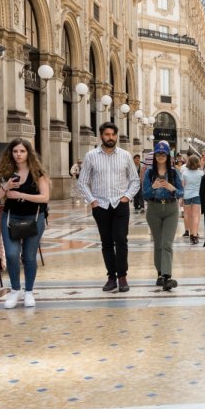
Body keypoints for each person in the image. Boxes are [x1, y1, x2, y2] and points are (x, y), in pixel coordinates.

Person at [78, 122, 141, 292]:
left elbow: (135, 180)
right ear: (101, 136)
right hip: (101, 205)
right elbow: (82, 182)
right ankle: (111, 277)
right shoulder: (91, 156)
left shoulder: (125, 155)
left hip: (120, 204)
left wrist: (127, 197)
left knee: (121, 240)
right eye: (107, 134)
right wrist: (92, 201)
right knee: (106, 242)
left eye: (113, 135)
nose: (110, 138)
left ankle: (122, 276)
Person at [0, 139, 50, 309]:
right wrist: (5, 187)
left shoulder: (38, 173)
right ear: (11, 153)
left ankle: (29, 292)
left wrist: (21, 195)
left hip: (34, 218)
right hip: (10, 218)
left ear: (28, 153)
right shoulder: (5, 172)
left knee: (29, 257)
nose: (18, 155)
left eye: (22, 151)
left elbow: (45, 197)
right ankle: (15, 290)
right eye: (15, 151)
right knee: (12, 255)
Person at [142, 141, 184, 291]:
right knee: (158, 244)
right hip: (154, 209)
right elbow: (144, 194)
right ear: (155, 155)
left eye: (163, 153)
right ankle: (160, 274)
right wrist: (153, 187)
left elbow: (181, 192)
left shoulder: (174, 173)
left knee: (167, 243)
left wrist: (172, 189)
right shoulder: (149, 173)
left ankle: (167, 276)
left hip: (171, 208)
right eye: (158, 153)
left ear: (168, 156)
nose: (161, 156)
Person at [182, 155, 203, 244]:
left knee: (187, 214)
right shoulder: (201, 173)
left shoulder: (185, 173)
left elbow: (183, 185)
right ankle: (194, 235)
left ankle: (190, 232)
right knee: (196, 215)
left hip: (187, 195)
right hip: (197, 195)